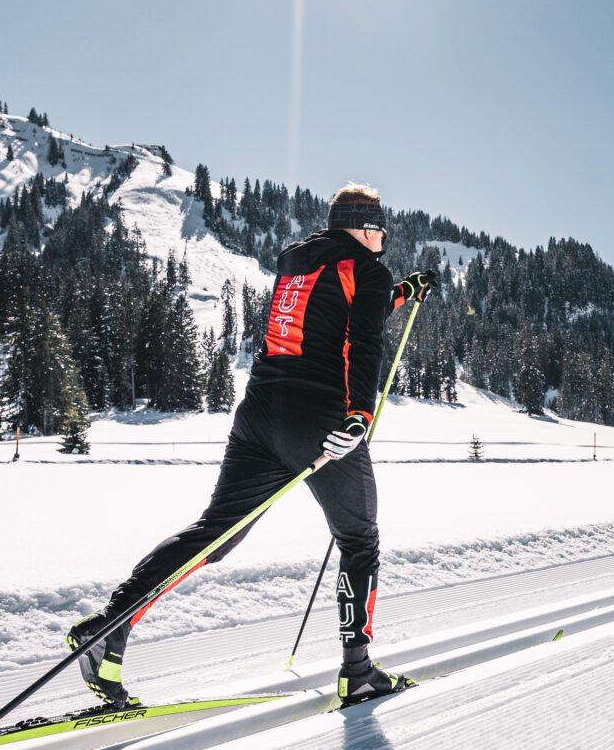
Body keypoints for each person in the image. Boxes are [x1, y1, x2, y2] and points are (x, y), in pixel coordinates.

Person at [65, 183, 437, 709]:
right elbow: (364, 342)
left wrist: (400, 293)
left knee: (215, 534)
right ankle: (358, 672)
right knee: (359, 541)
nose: (383, 239)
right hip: (322, 421)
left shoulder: (299, 261)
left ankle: (110, 629)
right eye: (379, 229)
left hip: (259, 413)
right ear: (360, 225)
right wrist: (359, 416)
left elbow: (337, 312)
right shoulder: (367, 270)